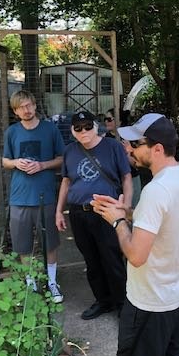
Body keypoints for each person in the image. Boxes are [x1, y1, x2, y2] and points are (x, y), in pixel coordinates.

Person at [91, 113, 179, 356]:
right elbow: (164, 222)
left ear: (157, 149)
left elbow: (136, 256)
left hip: (150, 301)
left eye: (135, 144)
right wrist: (126, 210)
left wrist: (116, 221)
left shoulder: (155, 190)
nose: (128, 149)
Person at [55, 111, 133, 320]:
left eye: (88, 126)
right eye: (78, 128)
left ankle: (123, 304)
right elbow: (66, 181)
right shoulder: (70, 151)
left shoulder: (113, 147)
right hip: (79, 212)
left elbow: (126, 177)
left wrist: (125, 207)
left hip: (107, 211)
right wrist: (59, 211)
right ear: (72, 131)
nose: (84, 132)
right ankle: (103, 300)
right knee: (91, 260)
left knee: (112, 258)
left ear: (95, 126)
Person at [2, 90, 65, 303]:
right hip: (19, 196)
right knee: (23, 243)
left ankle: (52, 281)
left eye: (29, 105)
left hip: (44, 195)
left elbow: (61, 158)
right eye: (21, 107)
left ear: (35, 105)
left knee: (50, 242)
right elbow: (5, 161)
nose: (26, 110)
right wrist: (16, 163)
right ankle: (31, 283)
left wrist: (42, 165)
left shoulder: (50, 129)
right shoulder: (12, 132)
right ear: (15, 111)